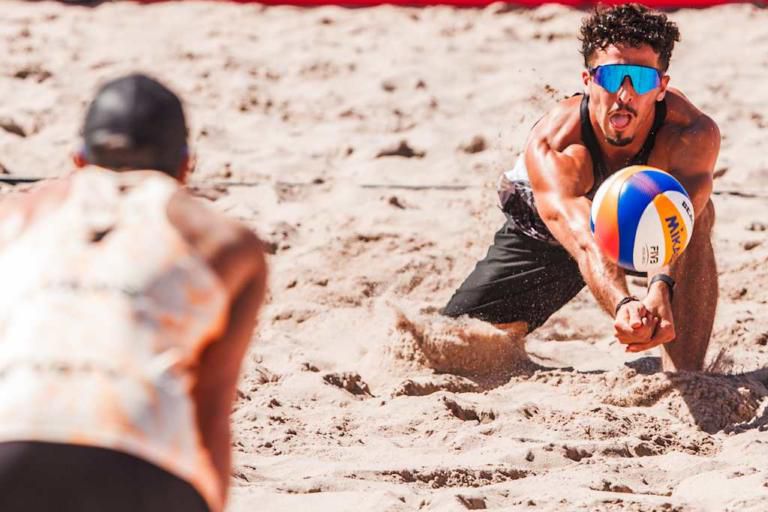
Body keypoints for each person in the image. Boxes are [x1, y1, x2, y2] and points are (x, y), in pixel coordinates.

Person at [0, 74, 267, 512]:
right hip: (142, 459)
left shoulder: (15, 219)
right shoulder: (223, 242)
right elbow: (211, 412)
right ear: (185, 166)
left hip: (10, 440)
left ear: (78, 158)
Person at [443, 4, 720, 372]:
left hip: (643, 225)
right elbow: (586, 240)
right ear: (588, 81)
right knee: (450, 349)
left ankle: (686, 378)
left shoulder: (691, 133)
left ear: (661, 87)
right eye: (611, 77)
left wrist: (660, 285)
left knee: (695, 215)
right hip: (547, 235)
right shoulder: (556, 143)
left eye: (639, 80)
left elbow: (678, 222)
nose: (623, 95)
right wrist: (624, 304)